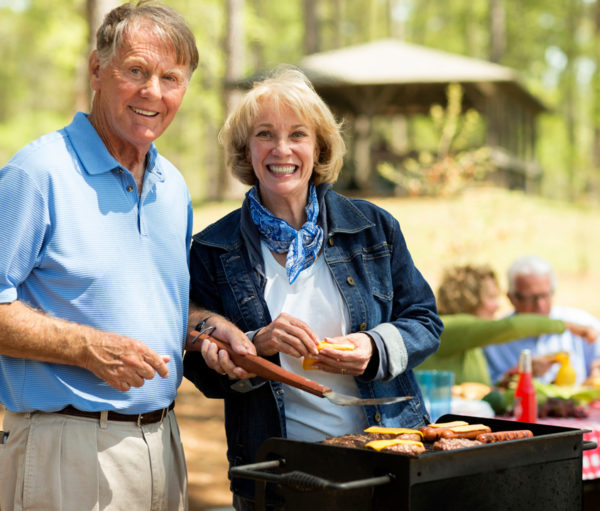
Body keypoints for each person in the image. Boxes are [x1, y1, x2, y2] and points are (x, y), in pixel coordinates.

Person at [0, 3, 251, 510]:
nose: (152, 92)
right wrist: (86, 348)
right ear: (97, 69)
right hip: (65, 449)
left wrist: (203, 329)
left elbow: (152, 306)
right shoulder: (37, 172)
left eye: (170, 78)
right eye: (135, 71)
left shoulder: (172, 186)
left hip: (162, 441)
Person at [183, 67, 443, 510]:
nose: (281, 150)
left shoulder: (373, 228)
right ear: (247, 149)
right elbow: (201, 367)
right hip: (281, 478)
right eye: (265, 134)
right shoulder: (213, 248)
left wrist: (373, 347)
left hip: (383, 467)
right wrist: (254, 347)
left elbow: (425, 322)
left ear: (318, 147)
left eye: (297, 135)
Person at [417, 264, 581, 385]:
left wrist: (512, 379)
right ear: (469, 298)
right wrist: (570, 326)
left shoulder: (470, 342)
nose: (497, 306)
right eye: (491, 297)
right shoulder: (447, 328)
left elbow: (477, 393)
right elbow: (510, 327)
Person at [484, 256, 600, 386]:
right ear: (511, 298)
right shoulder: (494, 342)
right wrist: (520, 375)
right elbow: (486, 391)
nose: (540, 305)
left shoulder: (583, 322)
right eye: (530, 298)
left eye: (545, 295)